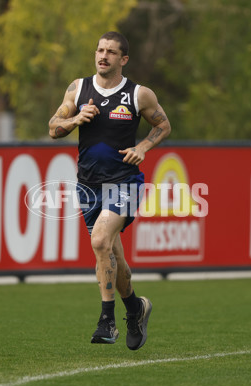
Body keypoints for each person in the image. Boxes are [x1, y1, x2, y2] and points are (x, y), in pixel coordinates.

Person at [48, 31, 171, 350]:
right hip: (88, 186)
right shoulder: (78, 88)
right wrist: (76, 118)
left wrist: (143, 146)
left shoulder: (138, 94)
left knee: (100, 240)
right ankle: (136, 308)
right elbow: (53, 128)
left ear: (123, 59)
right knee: (112, 256)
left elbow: (163, 125)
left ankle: (107, 320)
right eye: (100, 50)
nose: (103, 56)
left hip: (125, 183)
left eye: (111, 52)